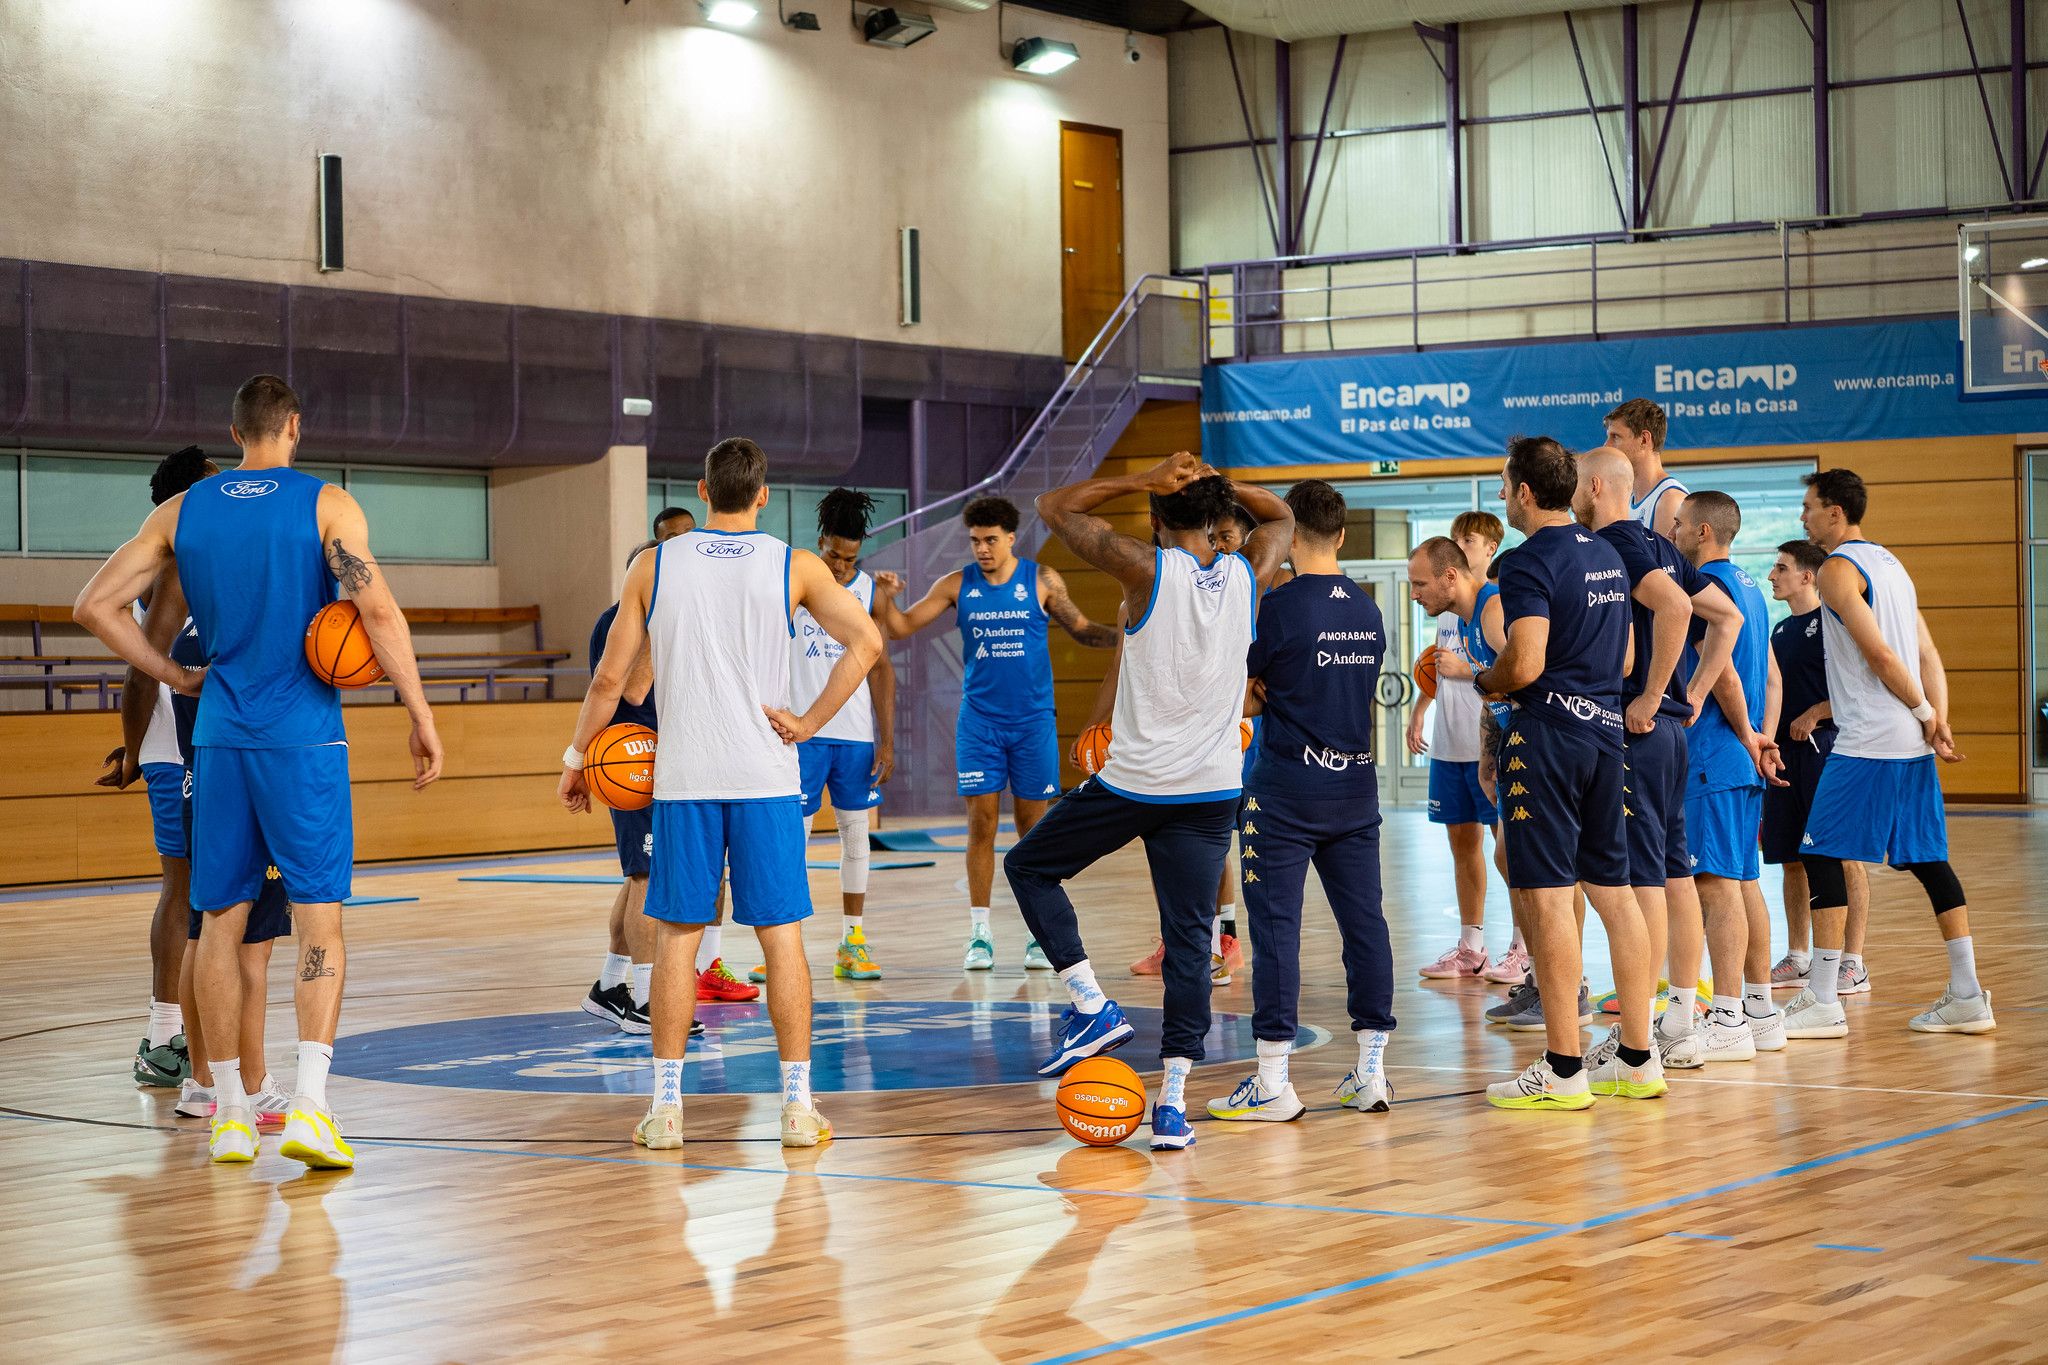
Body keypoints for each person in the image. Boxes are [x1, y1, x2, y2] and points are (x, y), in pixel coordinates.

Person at [75, 374, 445, 1168]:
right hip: (303, 741)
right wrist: (419, 711)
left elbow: (93, 604)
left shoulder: (183, 511)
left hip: (218, 739)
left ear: (235, 431)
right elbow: (379, 611)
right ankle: (309, 1104)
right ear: (294, 427)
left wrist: (176, 676)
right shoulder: (327, 504)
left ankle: (231, 1113)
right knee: (318, 918)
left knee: (219, 920)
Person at [562, 437, 883, 1150]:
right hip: (767, 778)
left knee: (678, 940)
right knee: (782, 939)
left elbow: (614, 682)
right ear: (763, 495)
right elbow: (867, 642)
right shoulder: (794, 565)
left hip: (686, 781)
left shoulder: (655, 564)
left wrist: (577, 757)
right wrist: (809, 722)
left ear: (703, 491)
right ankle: (797, 1107)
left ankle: (666, 1109)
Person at [1006, 452, 1292, 1151]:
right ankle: (1172, 1107)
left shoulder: (1144, 568)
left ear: (1158, 518)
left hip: (1135, 784)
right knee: (1191, 944)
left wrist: (1145, 478)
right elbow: (1282, 514)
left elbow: (1052, 507)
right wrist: (1218, 483)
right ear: (1219, 518)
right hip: (1211, 791)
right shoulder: (1249, 572)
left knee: (1028, 866)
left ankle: (1091, 1004)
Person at [1473, 437, 1660, 1110]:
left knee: (1549, 899)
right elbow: (1629, 656)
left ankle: (1562, 1068)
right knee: (1616, 894)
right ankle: (1637, 1057)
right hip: (1606, 738)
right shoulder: (1606, 552)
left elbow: (1524, 662)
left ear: (1525, 491)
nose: (1502, 495)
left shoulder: (1528, 561)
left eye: (1504, 484)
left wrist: (1486, 680)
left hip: (1549, 740)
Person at [1781, 469, 1993, 1038]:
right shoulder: (1892, 565)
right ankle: (1967, 995)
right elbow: (1927, 652)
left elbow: (1879, 654)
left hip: (1868, 741)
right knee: (1928, 861)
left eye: (1809, 506)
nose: (1803, 516)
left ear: (1835, 512)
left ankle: (1824, 1001)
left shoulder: (1837, 570)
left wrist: (1926, 714)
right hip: (1907, 741)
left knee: (1821, 854)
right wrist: (1935, 718)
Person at [1207, 479, 1394, 1123]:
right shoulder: (1368, 611)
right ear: (1340, 534)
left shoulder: (1277, 608)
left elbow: (1238, 689)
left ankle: (1272, 1083)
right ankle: (1372, 1072)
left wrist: (1263, 691)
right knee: (1365, 925)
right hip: (1355, 789)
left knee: (1276, 931)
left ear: (1287, 539)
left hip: (1286, 792)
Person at [871, 497, 1116, 971]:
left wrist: (1127, 633)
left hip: (1033, 723)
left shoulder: (1042, 580)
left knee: (1034, 829)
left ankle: (1038, 935)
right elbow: (900, 627)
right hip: (980, 724)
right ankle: (980, 934)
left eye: (990, 540)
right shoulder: (956, 584)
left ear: (1010, 538)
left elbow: (1083, 629)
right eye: (975, 541)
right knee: (981, 825)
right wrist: (885, 597)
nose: (982, 548)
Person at [1573, 449, 1741, 1054]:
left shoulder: (1615, 545)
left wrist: (1651, 695)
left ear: (1595, 486)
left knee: (1642, 879)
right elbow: (1727, 618)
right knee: (1675, 874)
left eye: (1575, 484)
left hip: (1639, 732)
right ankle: (1680, 1026)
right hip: (1669, 733)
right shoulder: (1660, 546)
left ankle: (1636, 1040)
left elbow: (1678, 608)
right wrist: (1688, 696)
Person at [582, 536, 731, 1035]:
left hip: (646, 759)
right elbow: (633, 688)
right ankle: (648, 1001)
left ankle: (610, 985)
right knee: (649, 876)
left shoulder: (620, 618)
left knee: (637, 875)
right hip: (633, 763)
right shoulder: (630, 620)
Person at [100, 445, 215, 1089]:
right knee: (185, 884)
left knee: (210, 887)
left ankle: (198, 1032)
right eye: (214, 481)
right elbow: (141, 672)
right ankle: (164, 1034)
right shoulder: (169, 563)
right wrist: (136, 749)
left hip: (208, 739)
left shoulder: (204, 555)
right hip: (175, 744)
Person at [1668, 490, 1785, 1062]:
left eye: (1679, 524)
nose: (1672, 532)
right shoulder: (1752, 588)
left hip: (1715, 752)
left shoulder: (1705, 588)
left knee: (1713, 885)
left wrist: (1743, 734)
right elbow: (1772, 676)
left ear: (1703, 532)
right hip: (1739, 756)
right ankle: (1759, 1012)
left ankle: (1729, 1016)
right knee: (1741, 881)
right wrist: (1762, 736)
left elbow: (1726, 676)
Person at [788, 488, 896, 981]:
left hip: (854, 736)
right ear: (820, 542)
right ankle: (787, 942)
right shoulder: (794, 581)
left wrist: (886, 740)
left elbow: (882, 669)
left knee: (856, 834)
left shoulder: (870, 592)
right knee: (795, 838)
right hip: (802, 731)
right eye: (833, 555)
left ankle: (853, 941)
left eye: (849, 558)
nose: (839, 565)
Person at [1762, 539, 1871, 995]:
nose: (1772, 575)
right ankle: (1799, 955)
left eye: (1781, 568)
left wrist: (1819, 712)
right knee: (1791, 858)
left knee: (1841, 855)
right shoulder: (1779, 630)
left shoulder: (1836, 624)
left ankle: (1853, 962)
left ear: (1807, 576)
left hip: (1828, 747)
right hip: (1785, 753)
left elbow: (1864, 684)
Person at [1408, 510, 1508, 979]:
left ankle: (1524, 946)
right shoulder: (1449, 611)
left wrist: (1466, 671)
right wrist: (1419, 709)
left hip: (1489, 740)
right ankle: (1471, 945)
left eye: (1467, 540)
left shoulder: (1493, 605)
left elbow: (1518, 668)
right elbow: (1437, 669)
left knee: (1509, 850)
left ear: (1490, 548)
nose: (1459, 546)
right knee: (1462, 844)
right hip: (1451, 741)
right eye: (1455, 539)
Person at [1602, 399, 1687, 538]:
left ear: (1644, 439)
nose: (1606, 445)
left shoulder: (1670, 501)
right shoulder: (1628, 499)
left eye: (1616, 437)